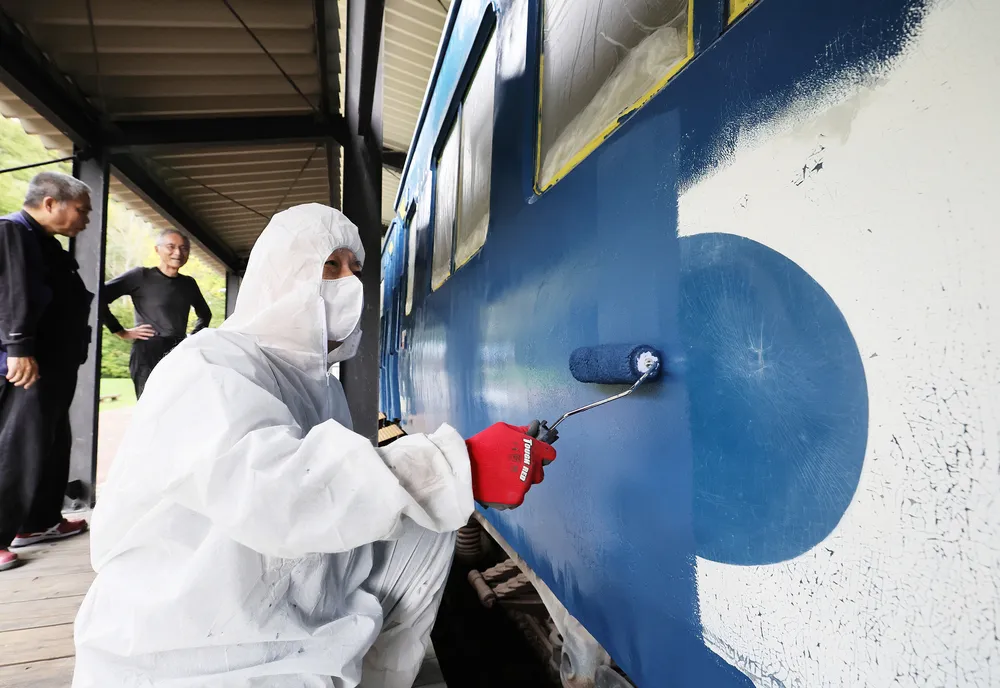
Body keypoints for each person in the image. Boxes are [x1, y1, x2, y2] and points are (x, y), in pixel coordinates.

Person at [72, 203, 556, 687]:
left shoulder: (318, 385)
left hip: (265, 594)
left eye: (356, 270)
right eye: (330, 265)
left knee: (427, 527)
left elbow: (339, 490)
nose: (349, 282)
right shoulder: (208, 365)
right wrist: (454, 464)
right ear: (281, 273)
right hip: (187, 641)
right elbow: (274, 493)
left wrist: (455, 477)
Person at [0, 172, 94, 573]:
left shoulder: (45, 242)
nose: (86, 219)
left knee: (54, 442)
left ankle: (39, 522)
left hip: (57, 360)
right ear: (51, 202)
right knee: (20, 447)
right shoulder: (13, 231)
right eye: (81, 210)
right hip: (30, 363)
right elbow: (13, 292)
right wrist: (19, 348)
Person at [100, 229, 212, 398]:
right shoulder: (140, 276)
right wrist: (121, 331)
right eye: (171, 246)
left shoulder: (188, 283)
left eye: (184, 248)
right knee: (149, 406)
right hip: (148, 351)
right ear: (157, 249)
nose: (178, 253)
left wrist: (192, 338)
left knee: (176, 404)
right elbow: (99, 297)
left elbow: (205, 314)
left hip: (178, 351)